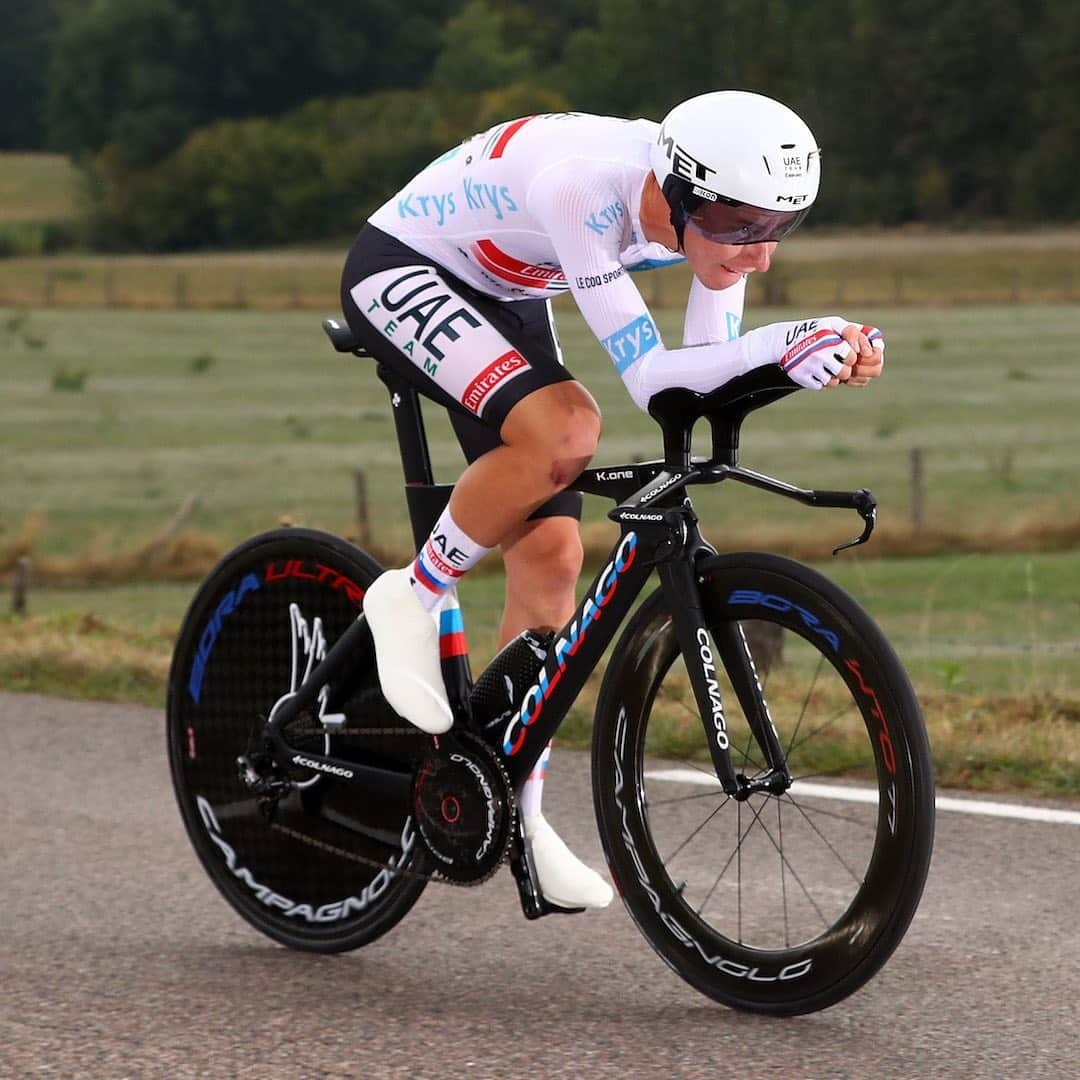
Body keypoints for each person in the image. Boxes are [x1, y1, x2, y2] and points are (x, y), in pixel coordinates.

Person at [340, 90, 885, 911]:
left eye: (777, 228)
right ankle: (412, 594)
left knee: (555, 556)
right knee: (566, 431)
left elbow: (708, 365)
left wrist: (813, 356)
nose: (759, 255)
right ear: (680, 193)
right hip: (407, 264)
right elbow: (651, 381)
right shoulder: (583, 191)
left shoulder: (707, 225)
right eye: (740, 226)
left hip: (510, 281)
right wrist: (785, 340)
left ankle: (515, 810)